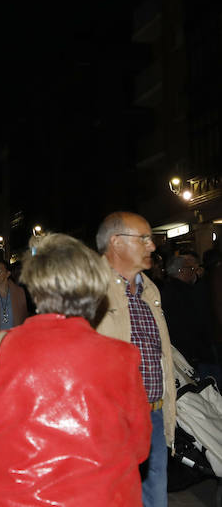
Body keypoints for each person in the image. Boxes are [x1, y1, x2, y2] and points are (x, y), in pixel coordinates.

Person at [0, 233, 151, 506]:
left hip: (12, 498)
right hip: (100, 497)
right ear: (95, 291)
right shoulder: (122, 356)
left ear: (35, 288)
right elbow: (138, 447)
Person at [95, 211, 175, 507]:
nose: (152, 246)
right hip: (113, 419)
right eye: (143, 238)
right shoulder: (90, 289)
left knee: (155, 494)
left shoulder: (149, 289)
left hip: (153, 413)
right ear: (116, 242)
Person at [163, 254, 216, 380]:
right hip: (193, 351)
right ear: (181, 271)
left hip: (183, 349)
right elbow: (196, 320)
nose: (194, 272)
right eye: (191, 269)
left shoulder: (167, 290)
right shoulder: (185, 292)